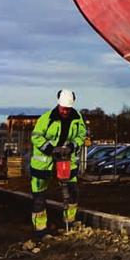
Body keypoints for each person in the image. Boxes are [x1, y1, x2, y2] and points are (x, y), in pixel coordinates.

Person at [30, 89, 87, 236]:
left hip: (67, 163)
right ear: (58, 105)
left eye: (68, 109)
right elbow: (36, 137)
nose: (65, 112)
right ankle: (40, 230)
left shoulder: (77, 118)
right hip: (43, 165)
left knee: (73, 192)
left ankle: (69, 221)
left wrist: (72, 146)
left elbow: (81, 135)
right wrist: (50, 149)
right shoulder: (46, 118)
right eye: (63, 109)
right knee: (39, 198)